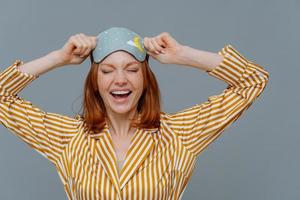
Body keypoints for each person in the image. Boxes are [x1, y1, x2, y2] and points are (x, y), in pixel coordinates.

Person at [0, 26, 269, 200]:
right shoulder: (69, 138)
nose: (120, 80)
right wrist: (58, 58)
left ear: (145, 79)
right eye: (107, 71)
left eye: (131, 69)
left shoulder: (178, 134)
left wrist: (183, 54)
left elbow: (253, 80)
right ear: (95, 81)